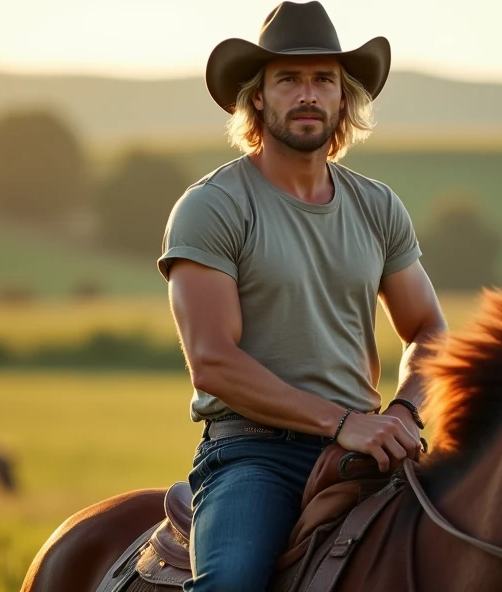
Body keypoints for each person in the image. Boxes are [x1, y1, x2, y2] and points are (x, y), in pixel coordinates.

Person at [156, 2, 447, 591]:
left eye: (324, 80)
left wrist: (403, 412)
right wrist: (342, 421)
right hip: (255, 456)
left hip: (372, 451)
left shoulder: (378, 206)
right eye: (288, 79)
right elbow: (212, 360)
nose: (308, 93)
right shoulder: (213, 206)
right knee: (231, 585)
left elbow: (429, 334)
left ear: (344, 99)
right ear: (258, 97)